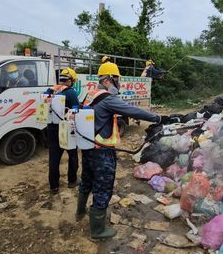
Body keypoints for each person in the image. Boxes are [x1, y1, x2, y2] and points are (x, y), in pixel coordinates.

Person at [76, 62, 169, 239]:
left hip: (88, 147)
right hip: (101, 151)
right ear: (108, 80)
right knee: (103, 187)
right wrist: (157, 117)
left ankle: (79, 212)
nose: (118, 84)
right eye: (116, 80)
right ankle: (98, 230)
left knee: (87, 180)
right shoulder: (108, 98)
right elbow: (132, 111)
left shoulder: (90, 94)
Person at [48, 68, 80, 194]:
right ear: (70, 80)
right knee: (72, 155)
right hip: (66, 129)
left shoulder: (51, 90)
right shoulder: (70, 92)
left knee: (54, 158)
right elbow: (75, 111)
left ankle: (54, 186)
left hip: (51, 128)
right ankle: (72, 181)